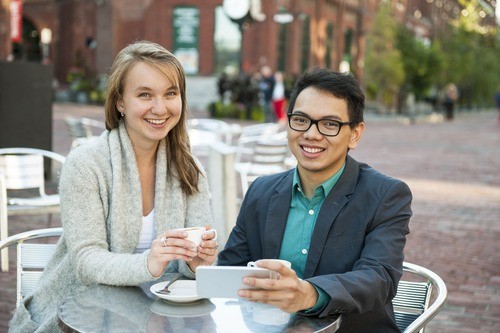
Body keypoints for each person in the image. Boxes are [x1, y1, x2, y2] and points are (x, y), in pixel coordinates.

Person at [9, 41, 218, 332]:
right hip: (78, 316)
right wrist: (149, 263)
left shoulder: (190, 171)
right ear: (120, 102)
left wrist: (198, 262)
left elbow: (194, 267)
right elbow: (86, 260)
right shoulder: (85, 164)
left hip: (162, 318)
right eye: (145, 94)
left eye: (171, 93)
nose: (160, 107)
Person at [218, 67, 412, 333]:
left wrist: (309, 293)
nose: (311, 134)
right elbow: (230, 272)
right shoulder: (260, 191)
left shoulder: (386, 195)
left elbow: (379, 278)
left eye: (330, 124)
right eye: (301, 120)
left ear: (354, 134)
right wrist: (201, 268)